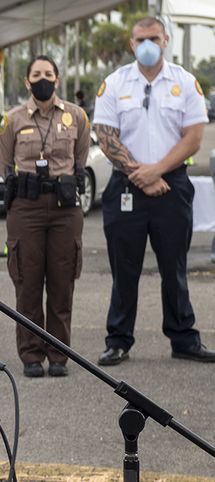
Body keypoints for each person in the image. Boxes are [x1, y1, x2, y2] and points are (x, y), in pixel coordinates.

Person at [93, 16, 215, 365]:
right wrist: (140, 174)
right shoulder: (115, 83)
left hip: (171, 185)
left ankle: (183, 338)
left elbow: (193, 138)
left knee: (174, 268)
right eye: (141, 39)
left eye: (154, 38)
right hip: (126, 185)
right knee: (124, 269)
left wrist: (156, 171)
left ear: (165, 41)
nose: (147, 45)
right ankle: (118, 340)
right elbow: (105, 136)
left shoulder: (185, 82)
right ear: (132, 44)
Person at [0, 55, 90, 378]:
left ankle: (59, 355)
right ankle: (31, 354)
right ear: (27, 81)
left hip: (65, 208)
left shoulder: (76, 116)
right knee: (28, 282)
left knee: (62, 283)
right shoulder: (12, 119)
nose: (43, 79)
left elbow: (80, 160)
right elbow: (3, 164)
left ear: (57, 79)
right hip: (26, 208)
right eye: (36, 74)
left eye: (48, 73)